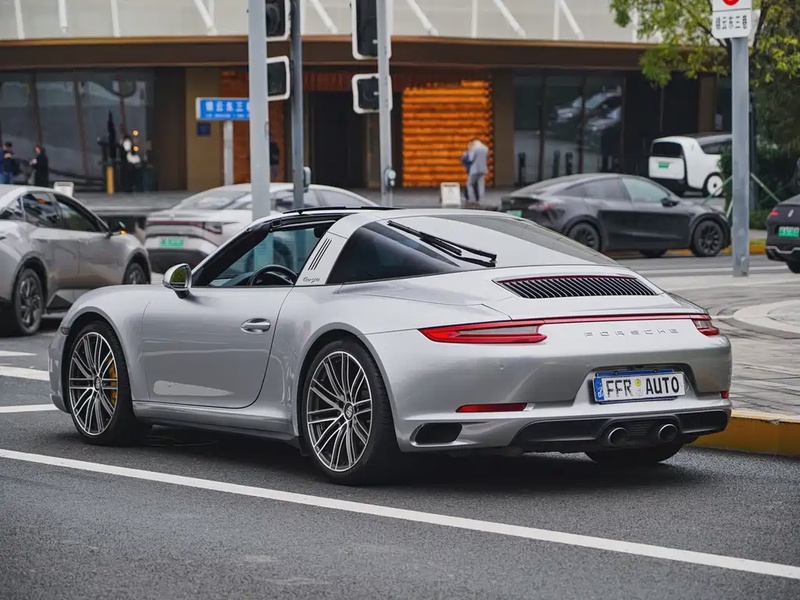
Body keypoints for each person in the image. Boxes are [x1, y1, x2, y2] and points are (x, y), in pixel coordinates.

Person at [466, 137, 489, 205]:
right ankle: (481, 199)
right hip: (483, 169)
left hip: (475, 169)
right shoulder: (485, 148)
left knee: (469, 184)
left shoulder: (474, 148)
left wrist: (470, 150)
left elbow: (471, 158)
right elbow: (487, 158)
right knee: (481, 184)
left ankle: (472, 199)